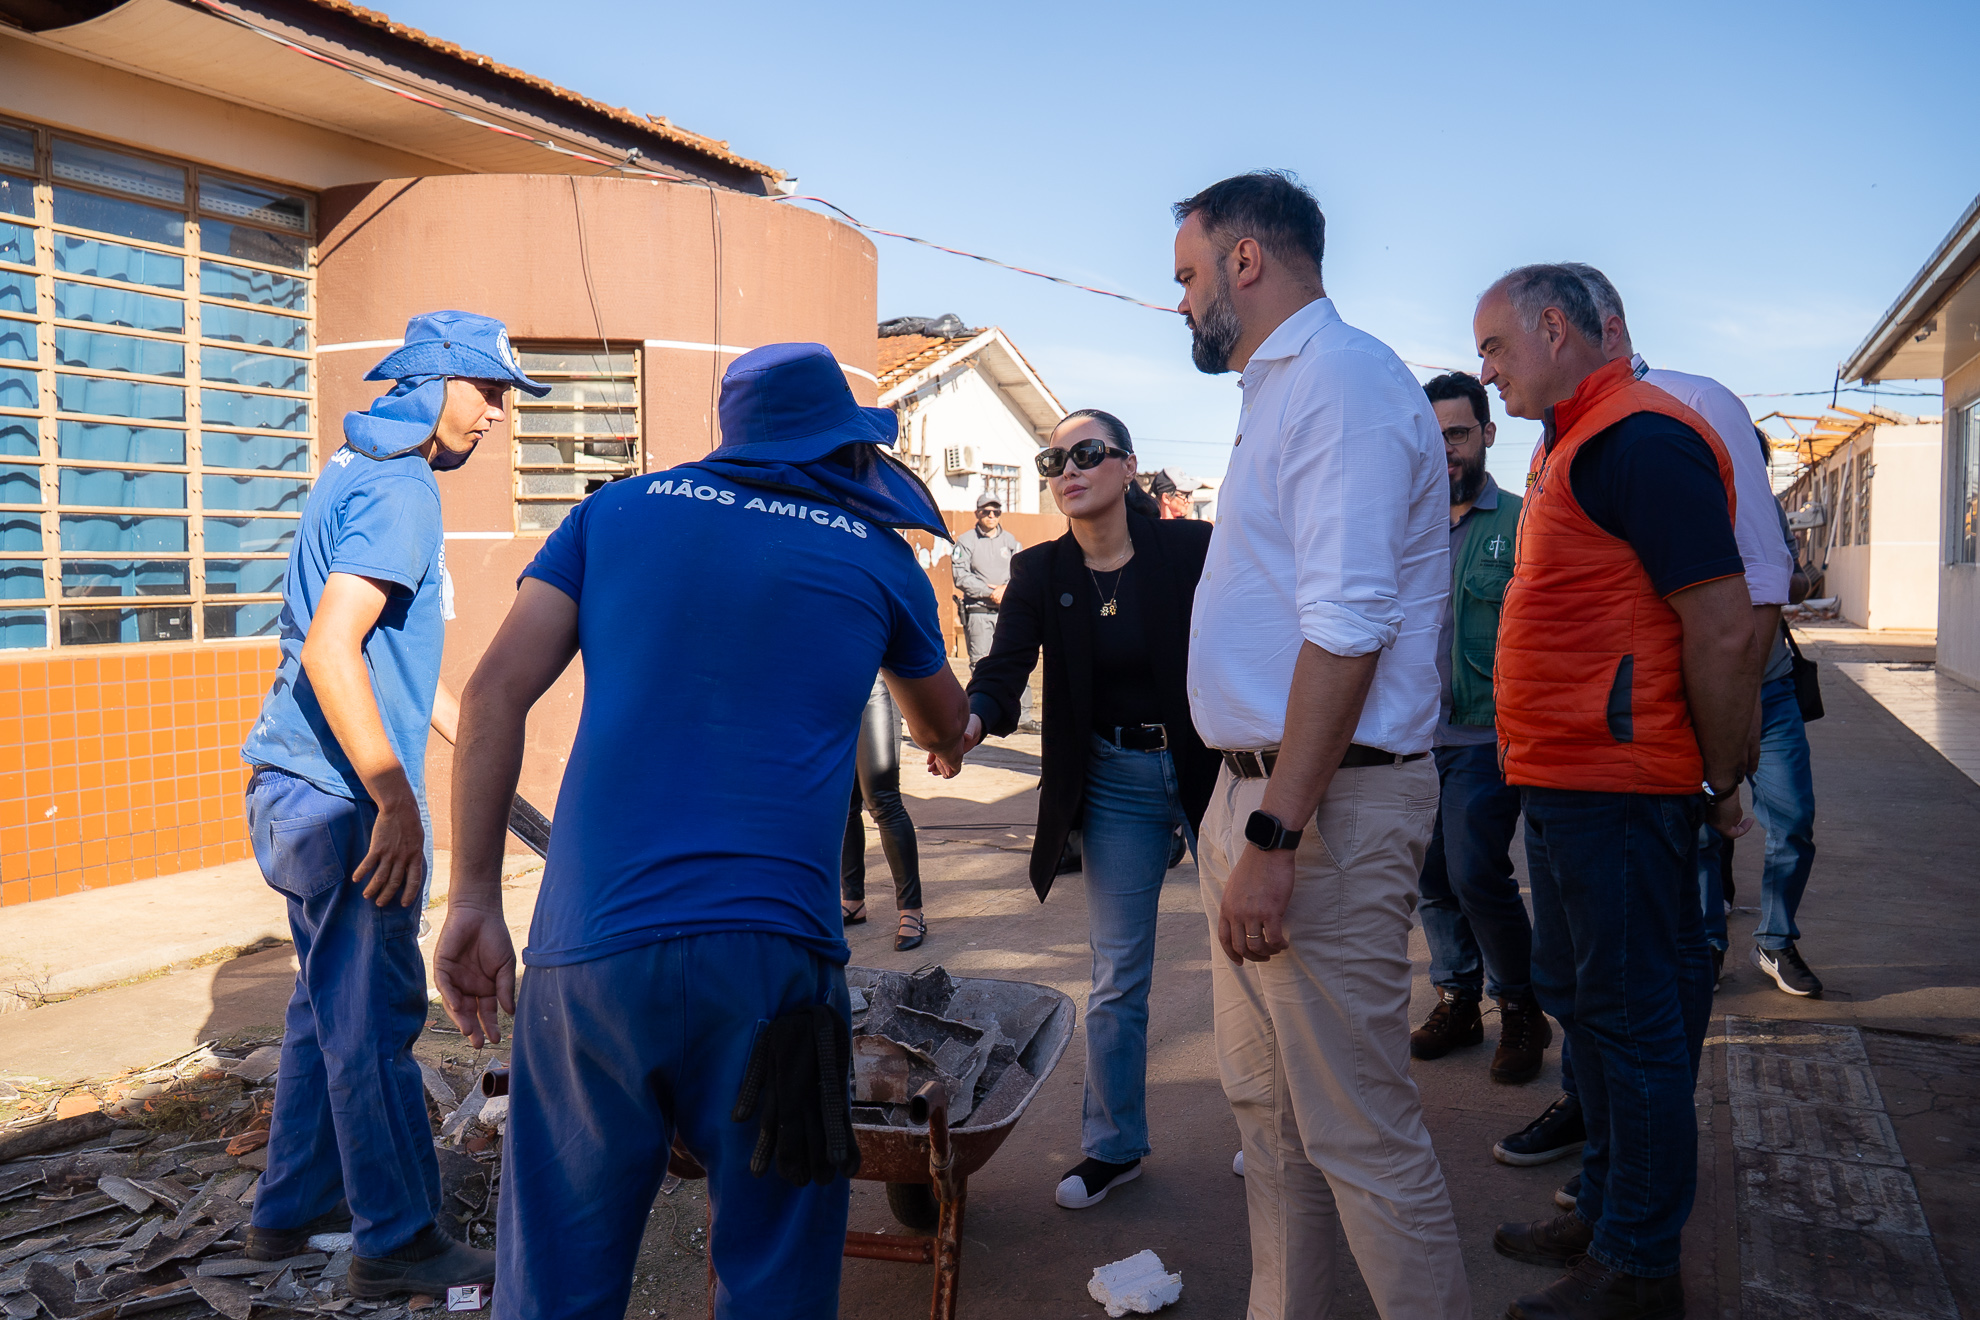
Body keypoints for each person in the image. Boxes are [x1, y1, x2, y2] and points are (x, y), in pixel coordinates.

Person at [433, 342, 970, 1320]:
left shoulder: (614, 512)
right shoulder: (879, 556)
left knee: (553, 1288)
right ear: (845, 444)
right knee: (772, 1280)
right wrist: (953, 730)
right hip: (774, 973)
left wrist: (472, 893)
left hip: (593, 954)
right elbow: (939, 723)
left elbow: (494, 692)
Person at [1174, 170, 1472, 1319]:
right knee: (1271, 1119)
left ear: (1248, 261)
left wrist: (1276, 831)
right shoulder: (1282, 389)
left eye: (1190, 274)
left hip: (1318, 810)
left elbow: (1347, 633)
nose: (1183, 300)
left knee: (1357, 1134)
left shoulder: (1340, 384)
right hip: (1263, 799)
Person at [1475, 264, 1761, 1320]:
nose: (1486, 370)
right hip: (1567, 781)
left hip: (1622, 787)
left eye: (1497, 347)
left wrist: (1717, 779)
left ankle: (1641, 1267)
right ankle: (1604, 1211)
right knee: (1587, 1007)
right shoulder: (1576, 440)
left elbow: (1726, 626)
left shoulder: (1642, 439)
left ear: (1558, 329)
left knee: (1633, 1025)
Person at [237, 311, 543, 1295]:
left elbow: (383, 656)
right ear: (436, 384)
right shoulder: (405, 490)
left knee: (320, 1012)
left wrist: (490, 768)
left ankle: (292, 1212)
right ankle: (397, 1242)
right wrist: (395, 801)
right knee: (374, 1022)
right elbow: (332, 652)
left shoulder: (353, 466)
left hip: (290, 786)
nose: (498, 416)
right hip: (339, 803)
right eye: (489, 392)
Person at [949, 407, 1219, 1211]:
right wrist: (970, 721)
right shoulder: (1040, 573)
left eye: (1087, 452)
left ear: (1128, 465)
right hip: (1112, 779)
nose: (1067, 468)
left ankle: (1274, 1128)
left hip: (1210, 767)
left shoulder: (1191, 550)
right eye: (1052, 458)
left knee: (1253, 961)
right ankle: (1114, 1146)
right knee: (1116, 975)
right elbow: (1004, 671)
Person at [1568, 265, 1820, 998]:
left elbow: (1765, 578)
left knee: (1792, 820)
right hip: (1681, 687)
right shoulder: (1589, 439)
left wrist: (1739, 697)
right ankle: (1706, 946)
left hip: (1760, 686)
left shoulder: (1696, 408)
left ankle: (1775, 939)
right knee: (1707, 833)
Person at [1408, 371, 1550, 1084]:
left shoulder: (1524, 522)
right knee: (1429, 878)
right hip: (1409, 737)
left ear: (1488, 434)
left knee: (1473, 872)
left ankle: (1521, 1007)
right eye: (1432, 439)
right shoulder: (1405, 523)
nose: (1445, 452)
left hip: (1487, 736)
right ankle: (1457, 997)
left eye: (1458, 435)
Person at [841, 676, 929, 951]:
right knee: (843, 804)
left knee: (883, 800)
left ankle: (911, 910)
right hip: (829, 684)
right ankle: (852, 901)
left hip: (873, 681)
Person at [953, 491, 1034, 728]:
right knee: (980, 664)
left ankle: (1024, 717)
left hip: (1009, 613)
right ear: (977, 513)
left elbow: (1022, 573)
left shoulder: (1011, 541)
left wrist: (1005, 589)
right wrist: (990, 592)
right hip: (978, 611)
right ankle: (979, 716)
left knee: (1019, 661)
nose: (991, 515)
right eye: (986, 511)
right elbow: (960, 576)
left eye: (996, 511)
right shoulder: (965, 541)